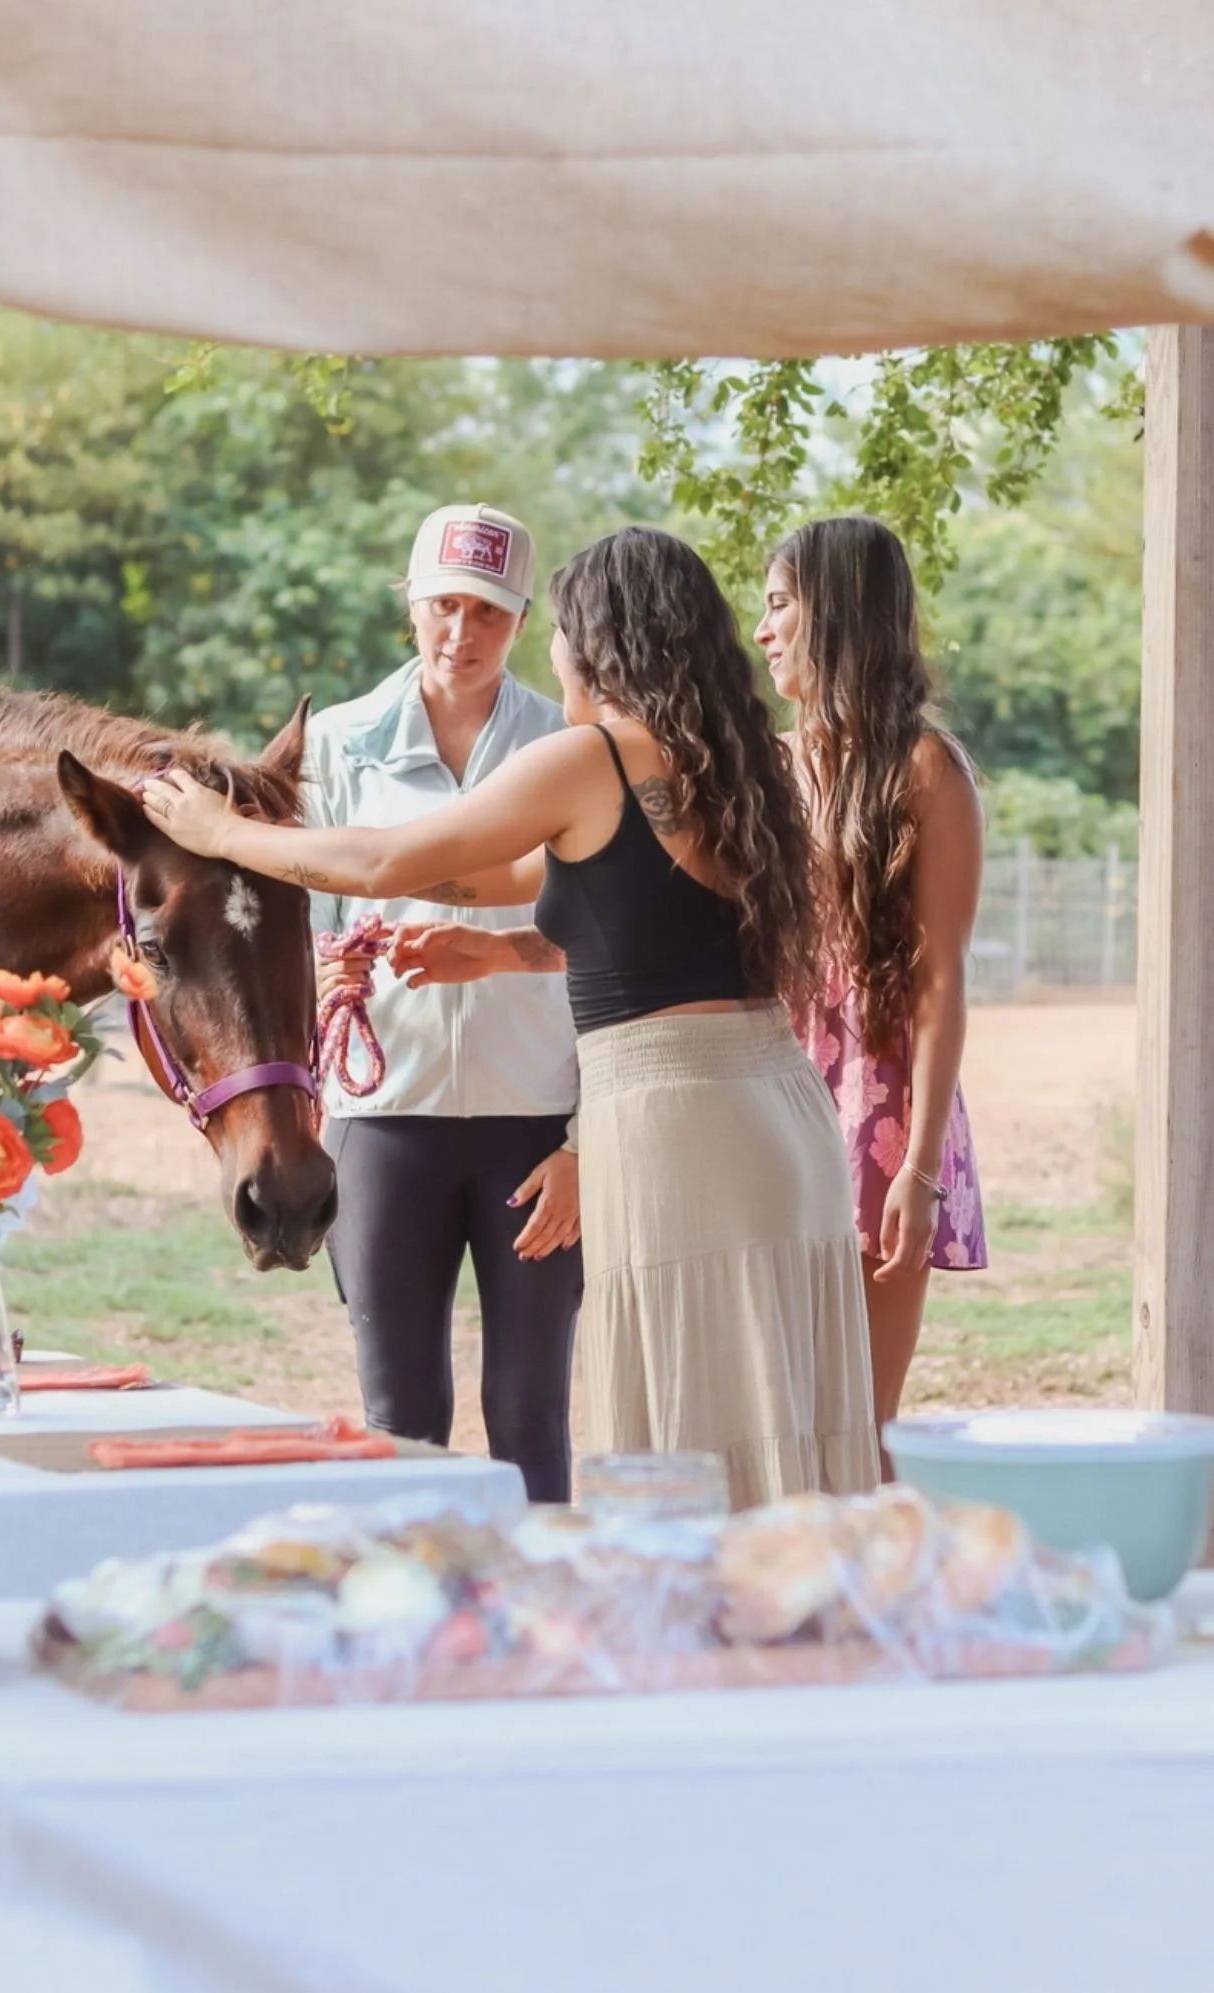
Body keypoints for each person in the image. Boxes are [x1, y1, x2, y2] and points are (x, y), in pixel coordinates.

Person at [143, 526, 880, 1509]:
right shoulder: (737, 766)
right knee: (774, 1400)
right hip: (776, 1109)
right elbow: (528, 884)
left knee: (690, 1424)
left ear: (599, 642)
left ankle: (694, 1632)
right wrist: (489, 948)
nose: (553, 655)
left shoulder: (590, 757)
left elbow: (382, 864)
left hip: (673, 1120)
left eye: (559, 631)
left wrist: (222, 832)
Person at [242, 503, 585, 1503]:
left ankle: (539, 1621)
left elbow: (610, 936)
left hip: (536, 1120)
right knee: (402, 1412)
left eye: (488, 612)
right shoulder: (338, 744)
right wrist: (320, 968)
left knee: (531, 1408)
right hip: (384, 1122)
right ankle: (415, 1610)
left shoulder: (567, 745)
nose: (461, 635)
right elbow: (286, 916)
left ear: (521, 620)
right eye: (443, 606)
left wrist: (583, 1136)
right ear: (409, 600)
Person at [755, 516, 988, 1464]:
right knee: (776, 1416)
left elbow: (940, 982)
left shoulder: (926, 771)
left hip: (880, 1115)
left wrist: (920, 1170)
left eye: (777, 605)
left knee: (861, 1431)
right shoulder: (759, 768)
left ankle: (862, 1607)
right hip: (764, 1097)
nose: (762, 629)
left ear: (838, 613)